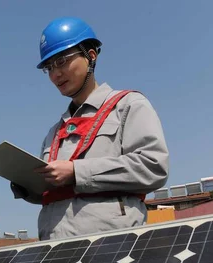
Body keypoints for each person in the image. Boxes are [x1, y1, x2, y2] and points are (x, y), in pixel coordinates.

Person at [11, 17, 169, 241]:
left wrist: (77, 172)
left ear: (91, 56)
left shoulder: (128, 106)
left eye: (62, 61)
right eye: (48, 67)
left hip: (111, 247)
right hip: (54, 248)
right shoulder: (55, 132)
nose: (55, 74)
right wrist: (28, 185)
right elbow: (56, 190)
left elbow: (153, 167)